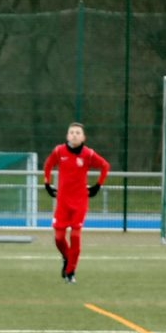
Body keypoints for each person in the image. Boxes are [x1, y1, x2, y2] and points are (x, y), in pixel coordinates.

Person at [43, 122, 110, 284]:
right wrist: (47, 183)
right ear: (67, 136)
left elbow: (105, 166)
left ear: (83, 137)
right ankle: (67, 257)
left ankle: (71, 272)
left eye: (78, 133)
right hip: (63, 201)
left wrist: (98, 185)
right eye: (71, 132)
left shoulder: (88, 154)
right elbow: (48, 164)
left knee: (75, 235)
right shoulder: (59, 151)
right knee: (59, 238)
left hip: (80, 201)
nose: (74, 135)